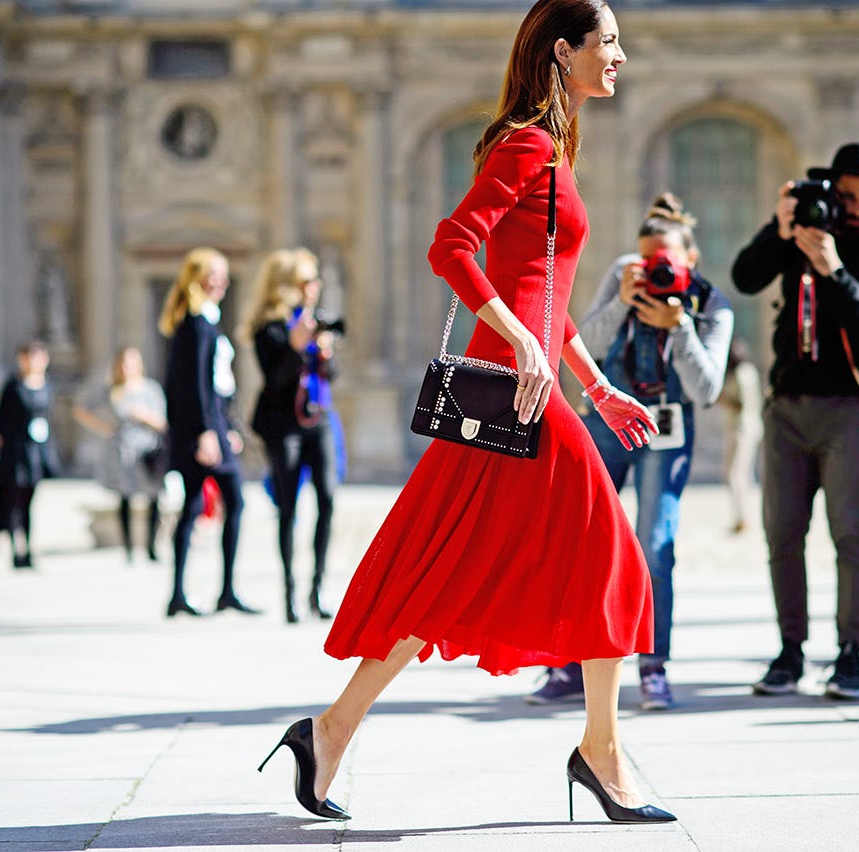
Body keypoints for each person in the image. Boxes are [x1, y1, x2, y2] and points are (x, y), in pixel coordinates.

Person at [257, 1, 675, 824]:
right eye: (610, 41)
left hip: (530, 381)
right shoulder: (527, 142)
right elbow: (451, 245)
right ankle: (600, 751)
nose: (622, 55)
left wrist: (596, 386)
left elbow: (544, 296)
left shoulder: (556, 147)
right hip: (511, 384)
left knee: (452, 566)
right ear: (565, 51)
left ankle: (331, 731)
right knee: (610, 553)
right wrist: (519, 341)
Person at [526, 193, 732, 711]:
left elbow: (707, 390)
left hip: (668, 429)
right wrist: (622, 300)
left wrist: (678, 328)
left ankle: (653, 667)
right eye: (645, 260)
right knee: (584, 538)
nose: (652, 270)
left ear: (690, 260)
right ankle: (571, 665)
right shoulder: (624, 278)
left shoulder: (711, 305)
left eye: (665, 261)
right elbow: (581, 344)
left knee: (654, 545)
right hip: (610, 424)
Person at [732, 142, 859, 700]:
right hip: (787, 404)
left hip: (850, 407)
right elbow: (744, 277)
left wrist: (833, 270)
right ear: (832, 193)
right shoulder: (803, 228)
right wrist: (777, 230)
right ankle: (791, 653)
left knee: (851, 534)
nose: (856, 207)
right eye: (847, 196)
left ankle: (850, 658)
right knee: (782, 534)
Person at [245, 248, 344, 624]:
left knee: (328, 499)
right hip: (283, 424)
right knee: (288, 508)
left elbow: (330, 374)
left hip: (318, 420)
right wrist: (295, 347)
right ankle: (289, 593)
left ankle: (316, 590)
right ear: (288, 286)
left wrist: (325, 351)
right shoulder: (268, 328)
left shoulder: (314, 322)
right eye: (308, 281)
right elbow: (274, 381)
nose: (315, 287)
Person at [159, 247, 259, 618]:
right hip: (203, 428)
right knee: (231, 501)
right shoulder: (198, 323)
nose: (224, 282)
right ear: (198, 279)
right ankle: (222, 591)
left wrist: (224, 427)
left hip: (208, 425)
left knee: (194, 506)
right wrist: (208, 432)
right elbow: (198, 385)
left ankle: (181, 595)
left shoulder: (198, 320)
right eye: (216, 275)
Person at [73, 346, 168, 563]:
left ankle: (152, 546)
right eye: (123, 363)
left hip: (148, 450)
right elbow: (82, 409)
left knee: (154, 496)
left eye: (131, 363)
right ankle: (128, 549)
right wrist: (104, 428)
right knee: (125, 496)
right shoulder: (111, 390)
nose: (127, 368)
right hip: (122, 449)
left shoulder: (150, 389)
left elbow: (164, 422)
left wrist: (145, 417)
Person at [0, 340, 60, 569]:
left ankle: (27, 546)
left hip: (37, 451)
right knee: (14, 501)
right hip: (16, 453)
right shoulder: (13, 385)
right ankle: (18, 548)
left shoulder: (47, 385)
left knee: (28, 502)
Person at [719, 337, 763, 536]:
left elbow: (743, 404)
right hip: (739, 428)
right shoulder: (742, 372)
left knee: (736, 474)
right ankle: (741, 516)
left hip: (742, 429)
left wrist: (721, 398)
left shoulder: (742, 373)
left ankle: (743, 517)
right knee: (739, 474)